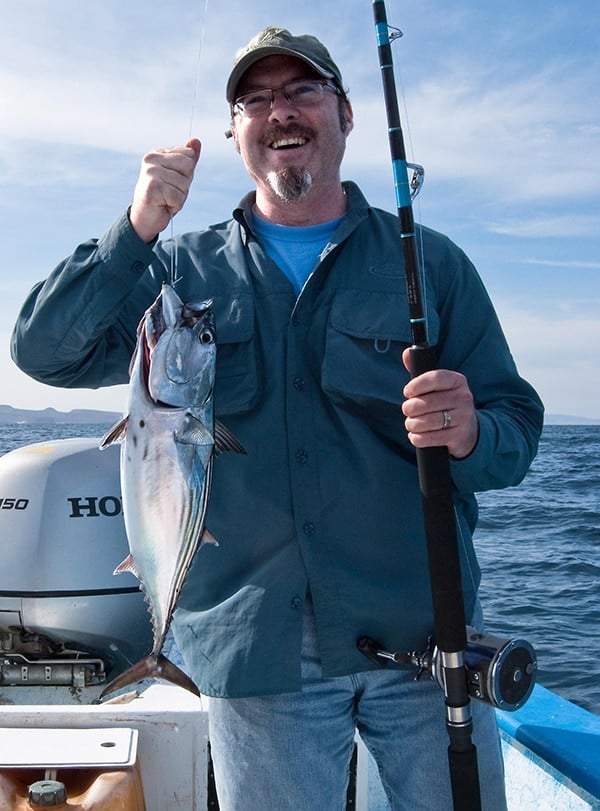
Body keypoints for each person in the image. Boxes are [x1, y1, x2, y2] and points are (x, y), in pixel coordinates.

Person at [11, 26, 543, 811]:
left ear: (347, 114)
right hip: (255, 652)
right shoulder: (173, 272)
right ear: (233, 132)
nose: (280, 112)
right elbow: (44, 352)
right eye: (255, 99)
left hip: (425, 632)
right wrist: (134, 231)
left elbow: (517, 429)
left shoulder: (429, 265)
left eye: (302, 90)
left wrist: (470, 432)